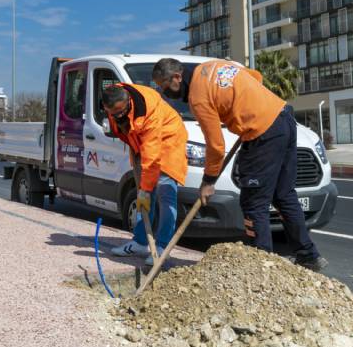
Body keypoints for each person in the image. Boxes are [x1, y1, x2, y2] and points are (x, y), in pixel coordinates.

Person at [151, 57, 327, 271]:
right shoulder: (212, 65)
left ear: (177, 77)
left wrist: (208, 181)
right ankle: (308, 255)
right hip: (284, 118)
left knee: (253, 202)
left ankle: (262, 266)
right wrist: (245, 104)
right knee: (283, 195)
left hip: (262, 132)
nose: (165, 93)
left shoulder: (198, 96)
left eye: (165, 86)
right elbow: (255, 77)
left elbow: (216, 146)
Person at [102, 83, 188, 265]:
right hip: (142, 143)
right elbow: (123, 130)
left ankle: (162, 246)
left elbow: (152, 155)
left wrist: (145, 189)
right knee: (145, 195)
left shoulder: (149, 110)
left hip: (168, 140)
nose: (118, 115)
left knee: (165, 193)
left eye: (120, 111)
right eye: (113, 112)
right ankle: (141, 242)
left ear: (127, 102)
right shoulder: (113, 99)